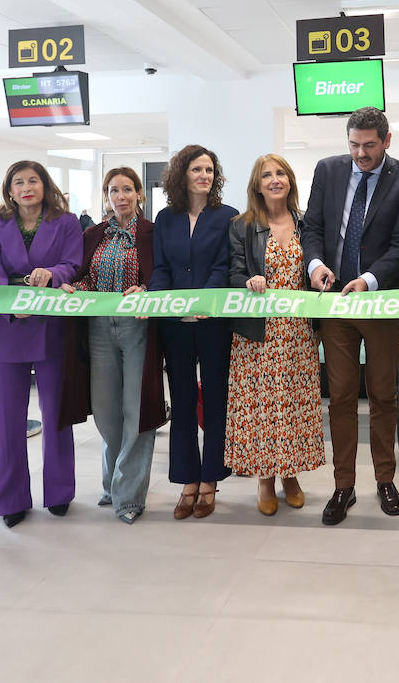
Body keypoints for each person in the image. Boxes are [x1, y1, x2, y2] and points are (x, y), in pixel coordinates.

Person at [302, 106, 399, 526]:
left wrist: (369, 280)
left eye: (369, 145)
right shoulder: (328, 170)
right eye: (354, 144)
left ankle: (385, 479)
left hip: (381, 301)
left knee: (383, 394)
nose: (360, 154)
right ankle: (343, 485)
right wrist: (315, 263)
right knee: (339, 395)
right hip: (334, 300)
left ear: (387, 141)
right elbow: (312, 227)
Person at [0, 161, 81, 527]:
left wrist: (53, 274)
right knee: (7, 420)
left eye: (33, 180)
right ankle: (11, 499)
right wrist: (14, 300)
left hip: (51, 327)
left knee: (57, 415)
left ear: (45, 185)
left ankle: (59, 493)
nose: (26, 187)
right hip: (5, 327)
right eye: (18, 182)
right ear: (8, 190)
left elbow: (72, 264)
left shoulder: (67, 222)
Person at [59, 167, 165, 524]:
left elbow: (162, 274)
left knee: (138, 409)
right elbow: (83, 274)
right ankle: (113, 483)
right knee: (106, 410)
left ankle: (129, 496)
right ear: (106, 197)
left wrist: (148, 289)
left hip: (139, 328)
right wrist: (78, 287)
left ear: (139, 195)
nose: (120, 197)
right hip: (98, 328)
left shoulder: (152, 233)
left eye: (127, 190)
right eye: (113, 191)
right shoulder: (92, 234)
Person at [225, 154, 324, 515]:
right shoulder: (242, 225)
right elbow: (233, 272)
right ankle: (265, 479)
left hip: (297, 334)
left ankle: (291, 474)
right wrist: (246, 280)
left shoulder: (305, 224)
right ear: (257, 184)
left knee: (294, 407)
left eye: (280, 173)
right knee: (262, 410)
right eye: (267, 175)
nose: (274, 179)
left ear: (290, 180)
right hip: (258, 334)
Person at [151, 145, 237, 519]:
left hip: (214, 322)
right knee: (183, 402)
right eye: (197, 169)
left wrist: (203, 304)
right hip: (175, 326)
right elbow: (160, 268)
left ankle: (210, 480)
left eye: (210, 170)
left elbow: (225, 265)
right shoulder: (165, 218)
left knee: (216, 400)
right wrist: (156, 300)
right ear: (181, 174)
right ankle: (187, 480)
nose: (205, 175)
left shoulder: (228, 216)